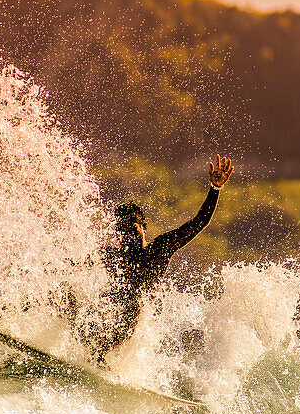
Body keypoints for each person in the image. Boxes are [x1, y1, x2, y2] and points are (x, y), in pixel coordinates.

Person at [79, 154, 234, 364]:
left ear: (143, 228)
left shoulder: (159, 249)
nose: (127, 235)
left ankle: (99, 358)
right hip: (105, 314)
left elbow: (199, 222)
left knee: (129, 309)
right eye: (122, 231)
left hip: (128, 321)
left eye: (131, 229)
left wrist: (215, 190)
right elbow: (73, 266)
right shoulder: (113, 255)